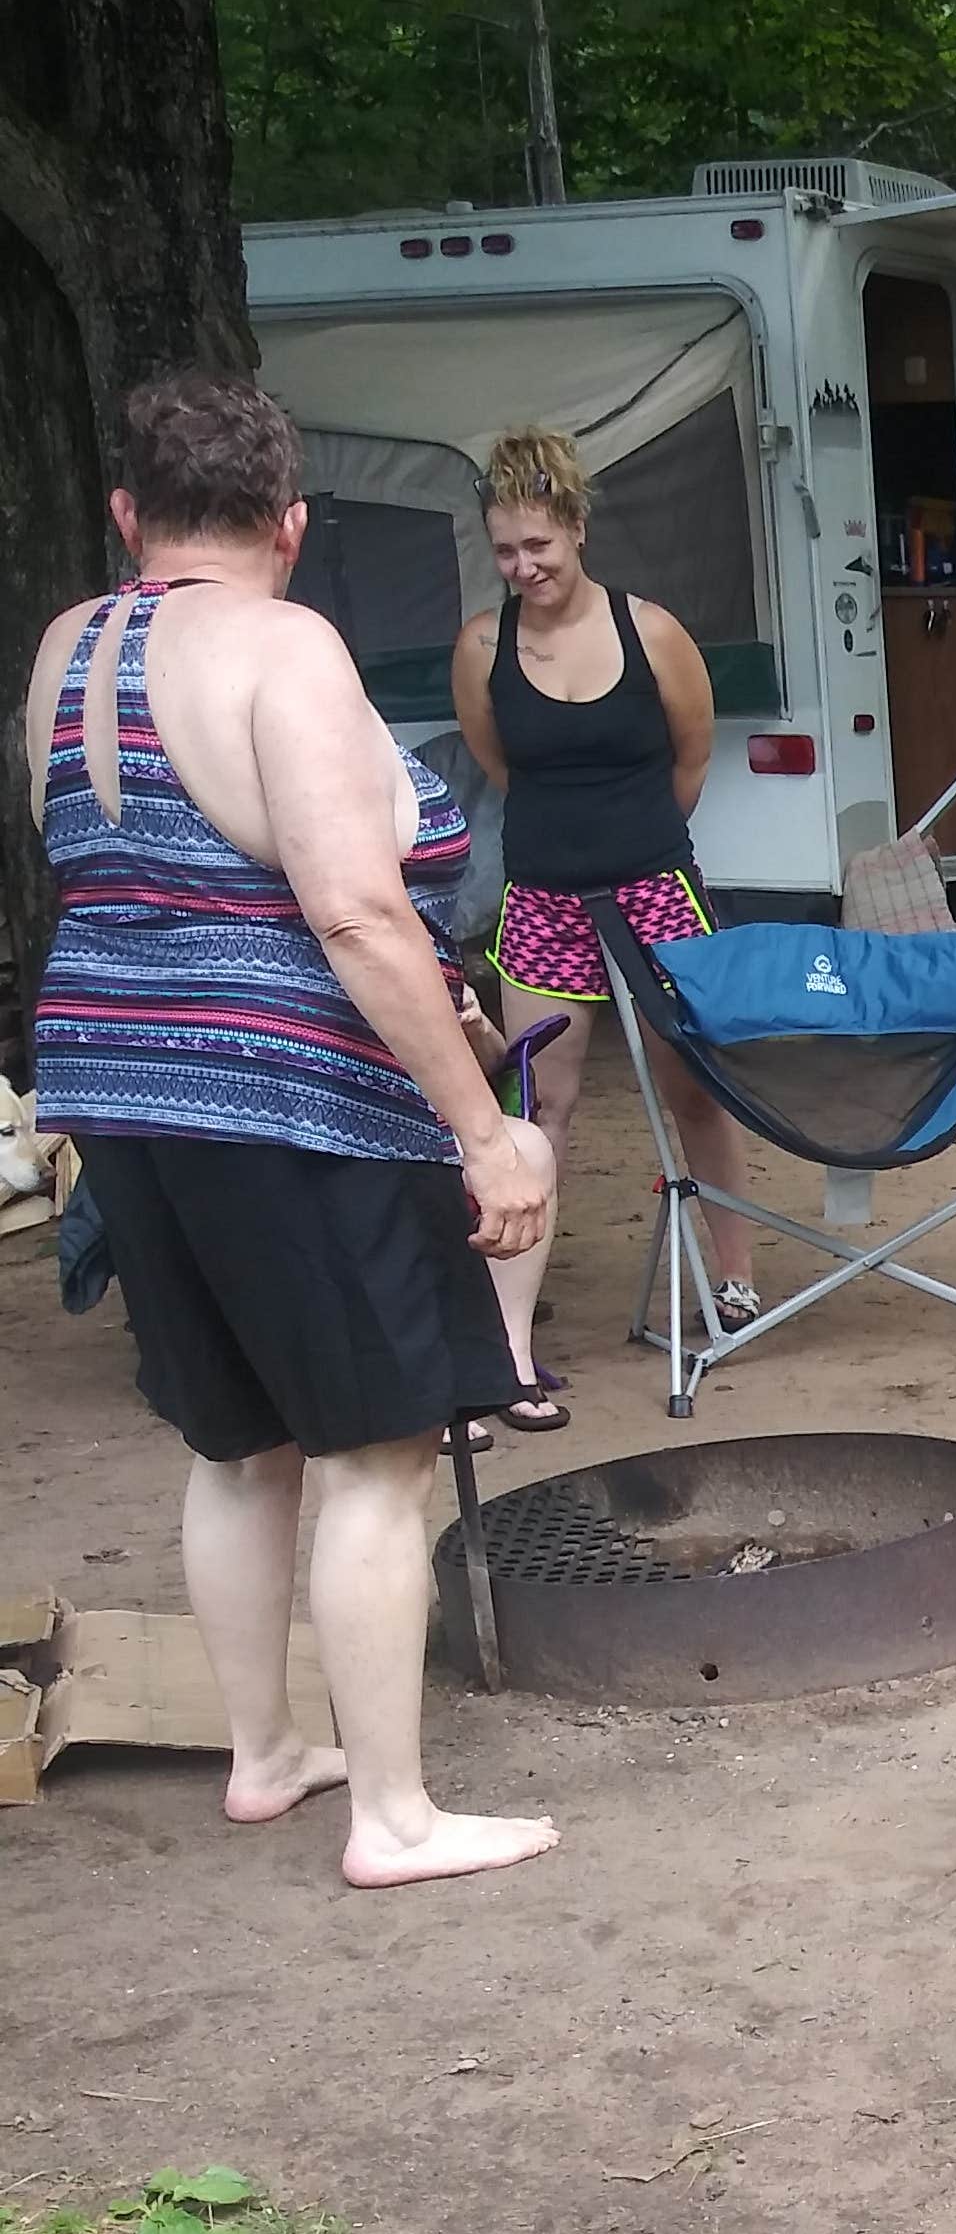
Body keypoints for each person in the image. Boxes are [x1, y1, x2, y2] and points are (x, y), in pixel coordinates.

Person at [24, 368, 559, 1886]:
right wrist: (484, 1129)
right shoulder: (285, 647)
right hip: (287, 1102)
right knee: (378, 1454)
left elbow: (111, 868)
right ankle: (394, 1816)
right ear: (294, 521)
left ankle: (266, 1753)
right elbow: (351, 908)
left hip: (115, 1084)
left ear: (131, 515)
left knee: (236, 1442)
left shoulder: (69, 647)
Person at [449, 425, 751, 1424]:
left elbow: (692, 757)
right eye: (505, 550)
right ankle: (511, 1345)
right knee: (541, 1109)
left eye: (539, 544)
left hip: (655, 887)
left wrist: (635, 839)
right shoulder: (482, 646)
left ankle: (736, 1277)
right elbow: (500, 764)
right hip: (540, 898)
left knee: (690, 1085)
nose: (523, 566)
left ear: (577, 528)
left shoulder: (651, 632)